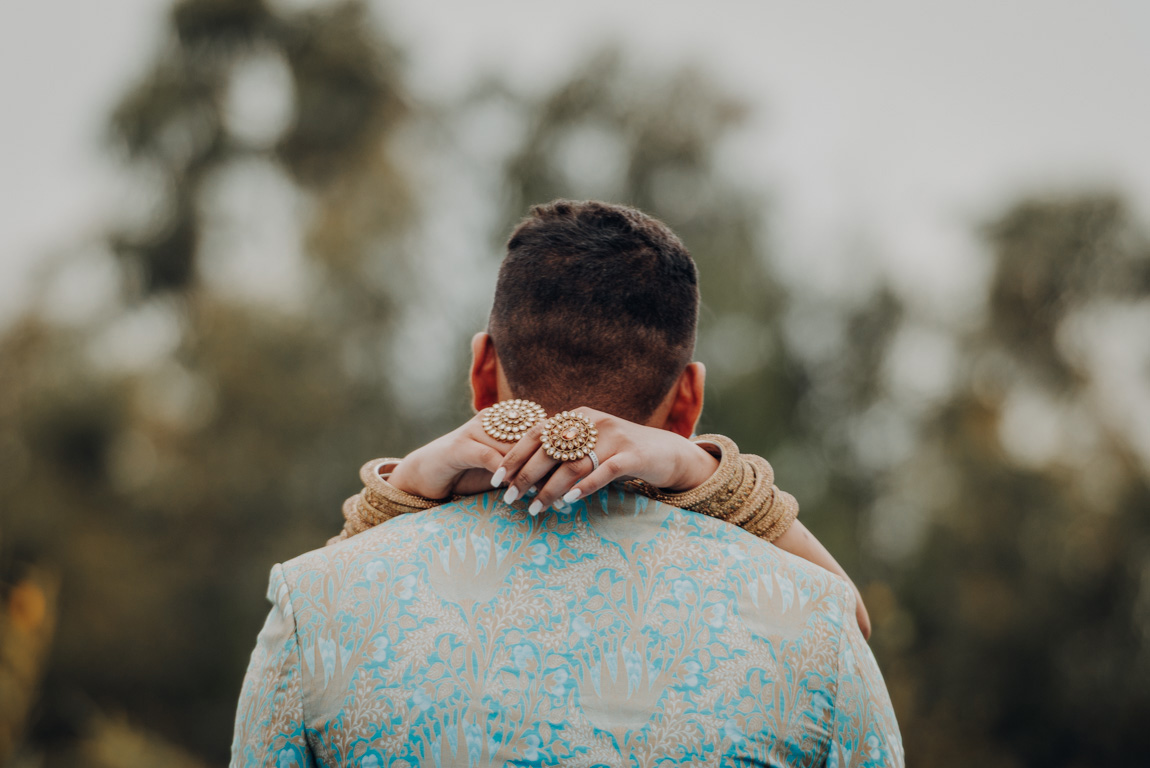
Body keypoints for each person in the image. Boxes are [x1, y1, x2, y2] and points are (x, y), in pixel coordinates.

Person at [230, 200, 903, 766]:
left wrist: (402, 487)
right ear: (688, 398)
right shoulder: (814, 624)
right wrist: (705, 471)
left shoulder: (313, 603)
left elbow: (323, 610)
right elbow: (850, 623)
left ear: (482, 370)